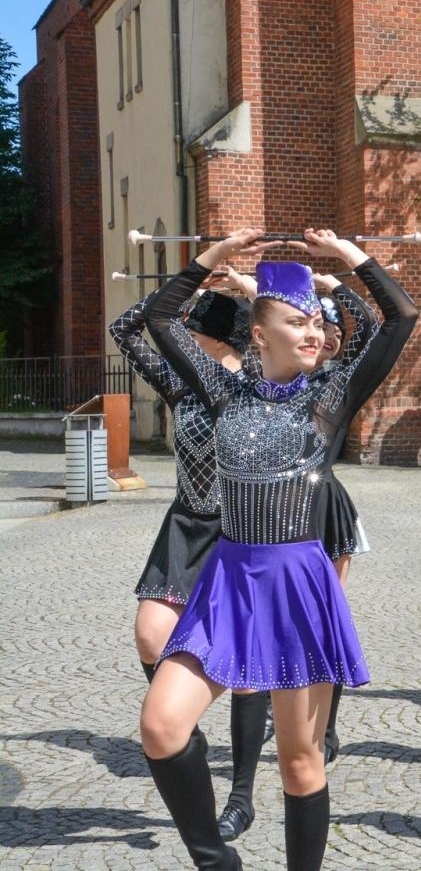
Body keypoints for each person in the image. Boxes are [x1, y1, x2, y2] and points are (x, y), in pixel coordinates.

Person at [140, 228, 417, 870]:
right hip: (228, 583)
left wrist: (346, 261)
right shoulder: (220, 390)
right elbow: (159, 315)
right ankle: (217, 861)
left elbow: (400, 315)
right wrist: (218, 253)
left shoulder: (330, 398)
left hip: (298, 585)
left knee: (299, 762)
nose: (314, 332)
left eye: (316, 322)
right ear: (260, 334)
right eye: (297, 322)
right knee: (161, 726)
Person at [110, 279, 270, 845]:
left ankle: (242, 794)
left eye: (194, 332)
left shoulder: (259, 384)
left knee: (247, 670)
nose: (184, 340)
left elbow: (291, 343)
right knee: (152, 633)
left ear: (221, 339)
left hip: (245, 533)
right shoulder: (180, 381)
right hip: (187, 525)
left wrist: (252, 293)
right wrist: (195, 279)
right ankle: (183, 730)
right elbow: (126, 329)